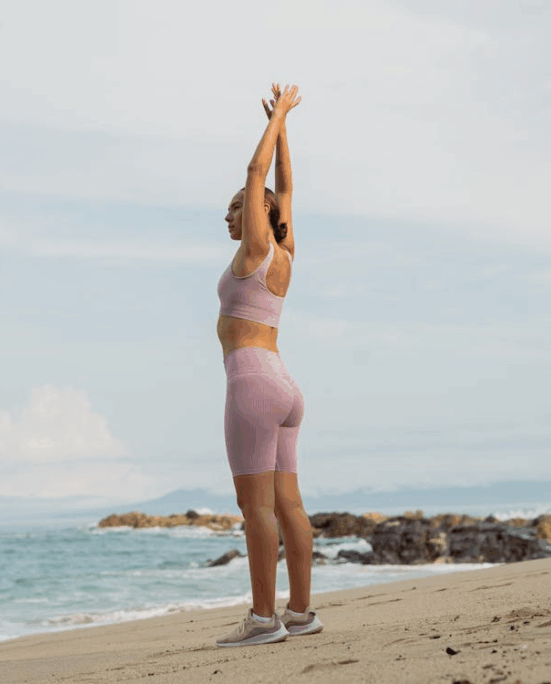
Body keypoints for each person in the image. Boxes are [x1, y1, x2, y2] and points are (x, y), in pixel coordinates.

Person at [215, 83, 324, 647]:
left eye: (235, 206)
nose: (227, 214)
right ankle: (301, 612)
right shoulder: (286, 250)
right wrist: (285, 130)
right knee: (288, 504)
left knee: (253, 505)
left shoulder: (259, 249)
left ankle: (262, 620)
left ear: (258, 213)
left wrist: (278, 115)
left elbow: (261, 177)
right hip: (284, 384)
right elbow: (285, 184)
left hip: (253, 382)